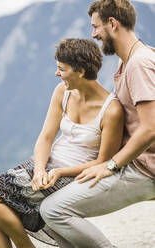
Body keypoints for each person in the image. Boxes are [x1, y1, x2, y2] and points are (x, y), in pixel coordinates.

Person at [0, 39, 124, 248]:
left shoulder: (112, 110)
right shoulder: (62, 92)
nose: (57, 74)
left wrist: (61, 172)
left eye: (61, 69)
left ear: (80, 71)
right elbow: (46, 138)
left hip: (75, 175)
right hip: (46, 167)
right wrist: (38, 169)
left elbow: (103, 162)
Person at [39, 1, 155, 247]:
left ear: (112, 23)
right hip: (132, 163)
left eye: (95, 27)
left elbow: (150, 128)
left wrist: (111, 165)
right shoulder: (130, 62)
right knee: (49, 208)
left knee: (53, 210)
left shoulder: (139, 64)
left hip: (143, 171)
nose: (93, 34)